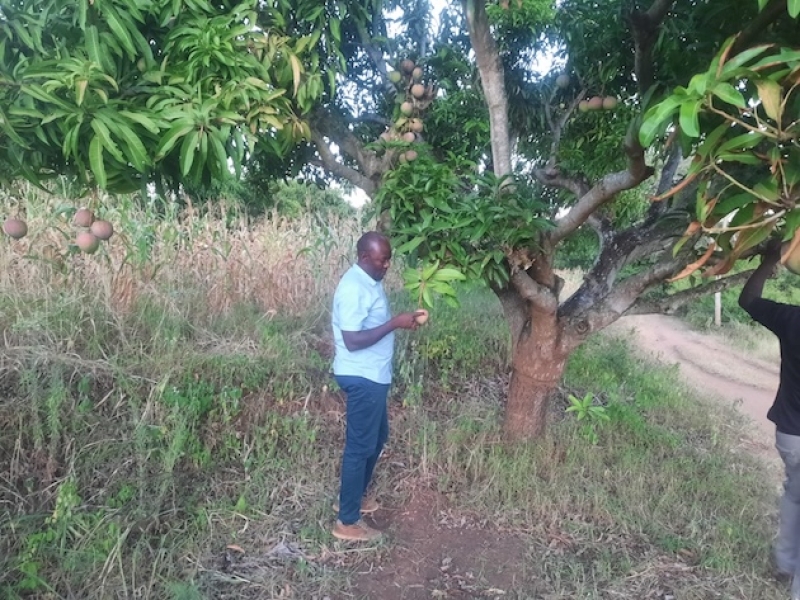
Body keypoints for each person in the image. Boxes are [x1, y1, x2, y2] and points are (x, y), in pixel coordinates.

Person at [330, 231, 422, 542]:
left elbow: (370, 327)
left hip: (373, 375)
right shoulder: (354, 289)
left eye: (389, 259)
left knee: (378, 437)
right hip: (362, 376)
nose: (387, 265)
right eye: (382, 260)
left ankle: (354, 498)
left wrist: (402, 321)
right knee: (359, 448)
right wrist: (395, 323)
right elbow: (353, 341)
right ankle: (347, 521)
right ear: (365, 257)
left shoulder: (369, 282)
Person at [739, 241, 800, 598]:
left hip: (790, 436)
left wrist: (770, 259)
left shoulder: (792, 320)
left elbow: (747, 301)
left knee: (795, 494)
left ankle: (784, 563)